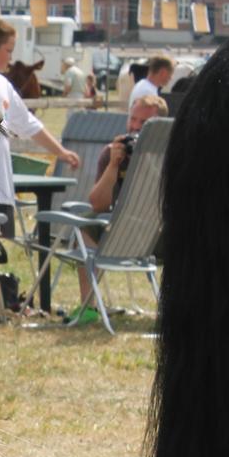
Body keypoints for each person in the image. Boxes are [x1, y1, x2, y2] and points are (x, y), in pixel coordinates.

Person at [0, 18, 79, 319]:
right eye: (7, 49)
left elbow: (28, 124)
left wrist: (60, 152)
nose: (10, 56)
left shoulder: (2, 83)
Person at [65, 94, 167, 323]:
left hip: (162, 236)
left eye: (144, 124)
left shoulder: (173, 154)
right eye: (133, 120)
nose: (135, 127)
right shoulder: (114, 152)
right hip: (124, 233)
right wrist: (113, 165)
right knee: (86, 226)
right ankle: (89, 307)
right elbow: (98, 204)